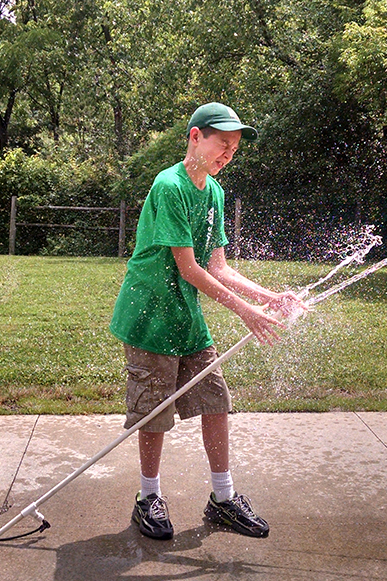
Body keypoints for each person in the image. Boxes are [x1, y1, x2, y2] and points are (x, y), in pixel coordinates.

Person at [109, 102, 306, 541]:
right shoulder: (170, 186)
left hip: (186, 315)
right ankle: (148, 498)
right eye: (224, 143)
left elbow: (218, 267)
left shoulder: (214, 192)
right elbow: (188, 269)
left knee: (216, 400)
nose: (229, 154)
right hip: (149, 316)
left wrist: (270, 298)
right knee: (154, 412)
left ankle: (223, 499)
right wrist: (246, 312)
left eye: (235, 147)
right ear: (196, 136)